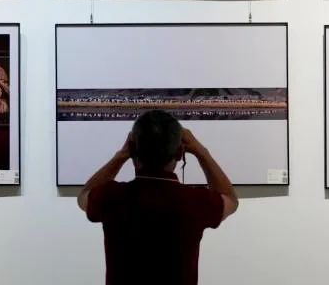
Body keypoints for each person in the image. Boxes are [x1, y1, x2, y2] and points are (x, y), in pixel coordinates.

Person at [78, 110, 238, 285]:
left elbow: (84, 195)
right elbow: (230, 198)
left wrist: (121, 155)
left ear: (132, 149)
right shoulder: (196, 201)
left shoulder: (112, 197)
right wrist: (202, 152)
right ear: (180, 153)